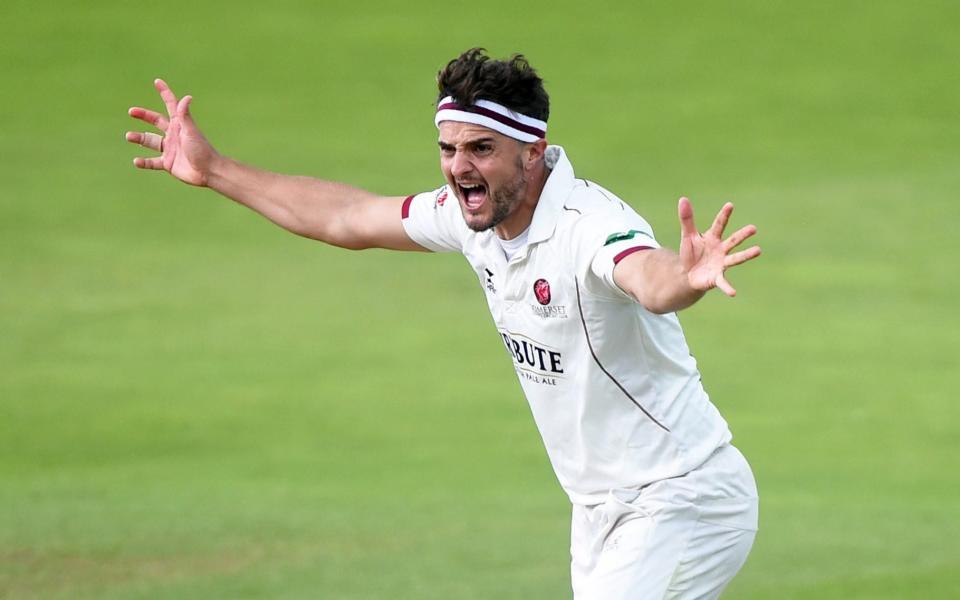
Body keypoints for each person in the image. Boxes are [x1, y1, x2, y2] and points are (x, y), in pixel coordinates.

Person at [126, 48, 761, 599]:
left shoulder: (588, 224)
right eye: (449, 148)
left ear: (533, 151)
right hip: (599, 510)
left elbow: (646, 278)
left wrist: (687, 279)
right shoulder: (470, 216)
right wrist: (215, 171)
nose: (459, 168)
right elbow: (349, 218)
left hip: (684, 498)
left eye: (482, 149)